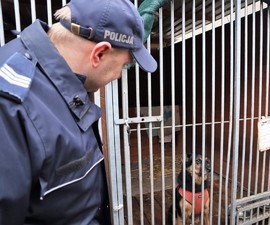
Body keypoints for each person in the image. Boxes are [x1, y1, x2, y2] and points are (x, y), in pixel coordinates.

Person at [0, 0, 157, 224]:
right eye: (122, 66)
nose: (120, 75)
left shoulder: (61, 83)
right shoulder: (10, 103)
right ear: (99, 53)